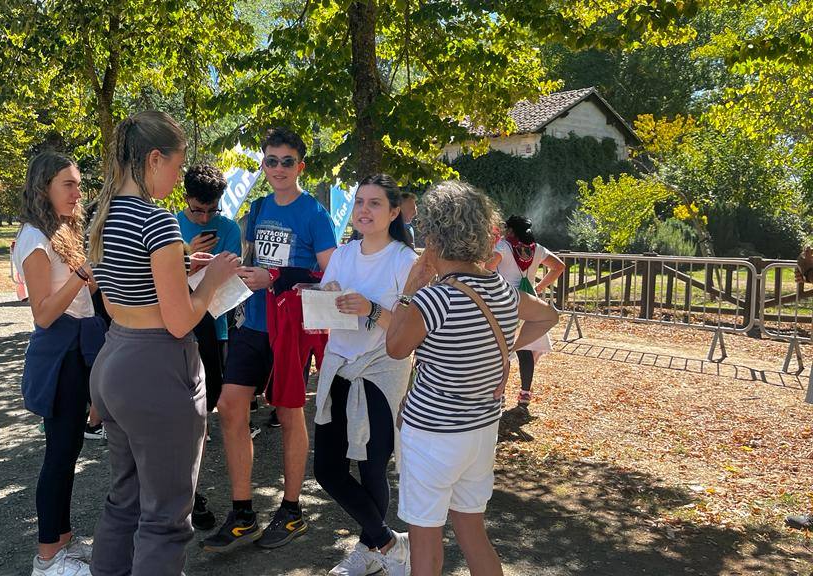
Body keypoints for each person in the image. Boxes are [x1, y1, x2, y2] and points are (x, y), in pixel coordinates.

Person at [88, 110, 239, 576]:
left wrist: (181, 270)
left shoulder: (106, 213)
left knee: (125, 501)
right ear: (154, 159)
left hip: (116, 358)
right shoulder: (157, 222)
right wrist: (211, 280)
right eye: (177, 165)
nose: (178, 179)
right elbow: (180, 322)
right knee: (167, 517)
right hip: (158, 369)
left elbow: (119, 299)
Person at [385, 181, 559, 576]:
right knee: (472, 531)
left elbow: (395, 347)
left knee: (426, 543)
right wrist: (508, 350)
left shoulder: (434, 298)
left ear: (431, 235)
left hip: (431, 433)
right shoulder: (500, 288)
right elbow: (549, 316)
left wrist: (410, 288)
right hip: (480, 430)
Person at [203, 127, 337, 552]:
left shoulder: (315, 214)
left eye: (286, 161)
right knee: (229, 406)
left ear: (300, 165)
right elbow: (253, 264)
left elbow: (329, 278)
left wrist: (276, 278)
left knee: (288, 412)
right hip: (252, 325)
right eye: (271, 161)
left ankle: (292, 509)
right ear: (263, 166)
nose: (277, 168)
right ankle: (243, 512)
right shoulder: (257, 208)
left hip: (291, 331)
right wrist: (224, 266)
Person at [313, 174, 418, 575]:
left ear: (394, 212)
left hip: (379, 371)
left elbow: (409, 327)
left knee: (372, 465)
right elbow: (324, 314)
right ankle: (389, 543)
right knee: (327, 468)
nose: (363, 210)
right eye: (359, 202)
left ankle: (370, 549)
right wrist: (325, 297)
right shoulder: (342, 254)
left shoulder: (404, 261)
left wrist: (370, 309)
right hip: (338, 365)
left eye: (375, 203)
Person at [14, 151, 104, 576]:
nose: (77, 191)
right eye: (68, 184)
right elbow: (43, 314)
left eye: (78, 183)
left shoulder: (63, 230)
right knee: (59, 455)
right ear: (43, 187)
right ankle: (47, 557)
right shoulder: (34, 237)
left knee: (69, 451)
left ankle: (63, 543)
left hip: (80, 351)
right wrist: (81, 275)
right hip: (61, 355)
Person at [176, 163, 244, 530]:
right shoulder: (171, 226)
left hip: (215, 329)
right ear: (185, 199)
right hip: (178, 327)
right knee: (183, 412)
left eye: (210, 210)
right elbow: (161, 282)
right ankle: (189, 494)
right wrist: (186, 257)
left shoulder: (229, 229)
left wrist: (213, 268)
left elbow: (232, 282)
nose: (203, 217)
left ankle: (190, 486)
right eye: (196, 210)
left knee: (206, 409)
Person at [487, 215, 565, 417]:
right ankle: (525, 393)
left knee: (501, 348)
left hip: (505, 300)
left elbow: (488, 266)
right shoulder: (537, 248)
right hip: (529, 299)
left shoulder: (504, 247)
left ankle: (500, 393)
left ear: (511, 230)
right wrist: (540, 286)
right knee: (526, 348)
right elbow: (559, 266)